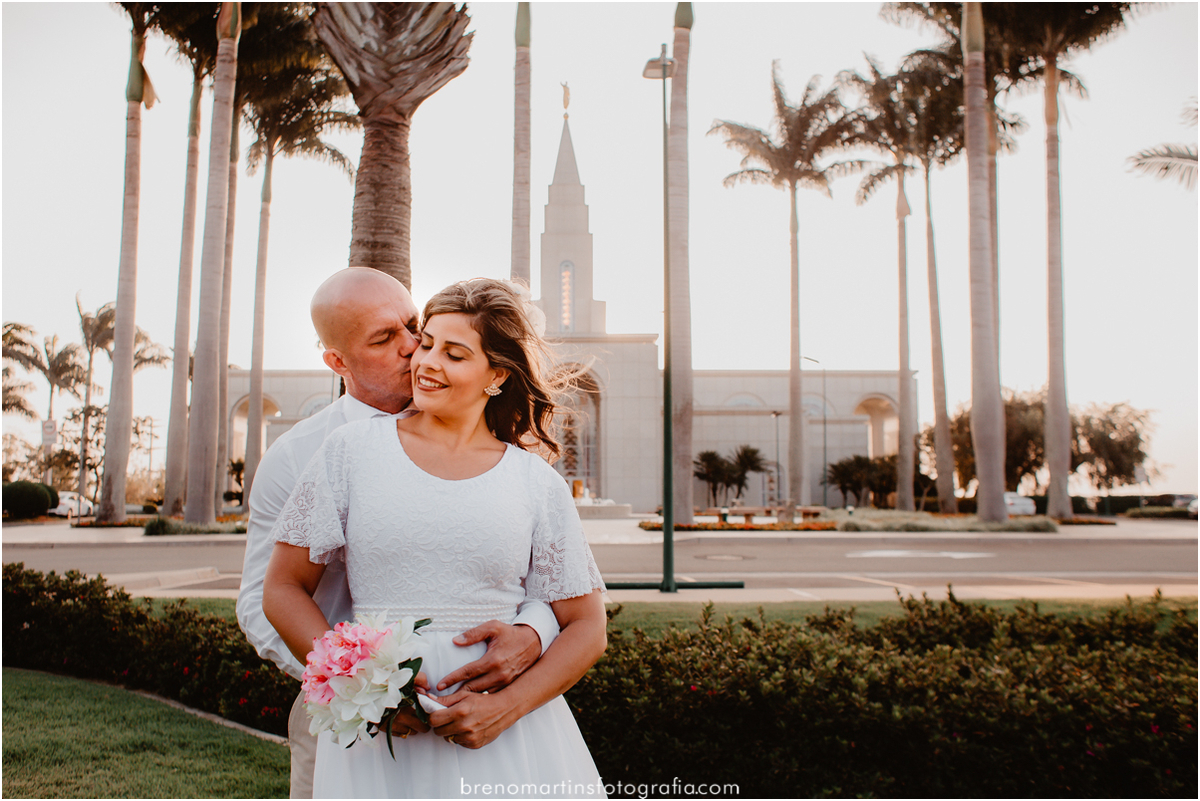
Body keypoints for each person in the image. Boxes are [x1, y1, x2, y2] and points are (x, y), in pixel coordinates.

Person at [263, 278, 608, 799]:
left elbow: (587, 627)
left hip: (506, 734)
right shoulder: (350, 451)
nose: (426, 361)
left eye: (454, 353)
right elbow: (282, 589)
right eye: (427, 343)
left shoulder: (535, 482)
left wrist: (503, 709)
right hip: (378, 736)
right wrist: (362, 685)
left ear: (496, 376)